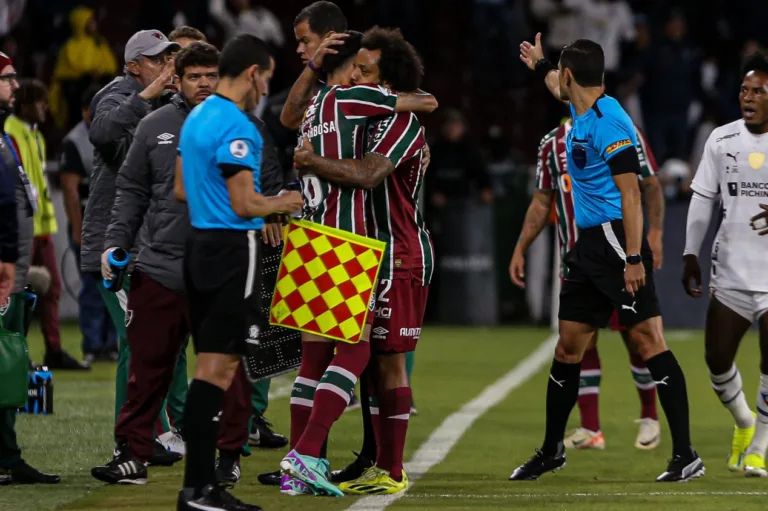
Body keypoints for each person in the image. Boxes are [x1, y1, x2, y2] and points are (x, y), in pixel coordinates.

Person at [510, 34, 702, 482]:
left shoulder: (609, 123)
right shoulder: (580, 102)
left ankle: (686, 454)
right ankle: (553, 449)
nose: (559, 82)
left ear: (574, 76)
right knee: (569, 344)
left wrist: (635, 256)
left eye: (562, 73)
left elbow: (632, 193)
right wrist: (540, 64)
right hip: (587, 247)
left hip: (617, 241)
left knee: (649, 342)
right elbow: (556, 83)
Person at [278, 30, 437, 498]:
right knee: (359, 355)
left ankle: (367, 465)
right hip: (349, 242)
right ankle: (307, 456)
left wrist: (308, 161)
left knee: (368, 361)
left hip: (380, 249)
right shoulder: (355, 106)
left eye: (368, 71)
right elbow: (423, 102)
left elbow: (369, 171)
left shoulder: (323, 108)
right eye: (358, 68)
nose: (358, 77)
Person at [175, 34, 303, 511]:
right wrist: (286, 202)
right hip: (233, 250)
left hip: (199, 246)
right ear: (253, 73)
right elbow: (246, 202)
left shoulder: (198, 115)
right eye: (267, 75)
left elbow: (180, 188)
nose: (266, 85)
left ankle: (200, 487)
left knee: (209, 369)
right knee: (219, 371)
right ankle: (200, 490)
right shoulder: (236, 124)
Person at [90, 42, 221, 486]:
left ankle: (225, 458)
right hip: (161, 267)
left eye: (211, 75)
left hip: (218, 271)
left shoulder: (239, 125)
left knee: (222, 373)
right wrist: (114, 244)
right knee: (146, 371)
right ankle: (132, 455)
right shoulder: (154, 124)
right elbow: (130, 191)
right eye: (195, 76)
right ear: (177, 81)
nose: (204, 83)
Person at [510, 116, 665, 451]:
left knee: (638, 337)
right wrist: (521, 247)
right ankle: (591, 427)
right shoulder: (552, 142)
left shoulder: (623, 130)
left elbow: (649, 184)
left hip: (620, 256)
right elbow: (542, 201)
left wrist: (656, 234)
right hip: (577, 260)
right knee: (579, 342)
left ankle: (650, 416)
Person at [81, 28, 181, 458]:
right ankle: (134, 438)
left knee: (148, 342)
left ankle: (153, 431)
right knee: (134, 344)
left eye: (168, 59)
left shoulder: (162, 104)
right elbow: (102, 133)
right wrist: (148, 95)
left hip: (145, 244)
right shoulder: (117, 94)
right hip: (114, 247)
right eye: (158, 59)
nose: (165, 67)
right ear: (135, 64)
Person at [682, 53, 768, 477]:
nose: (748, 98)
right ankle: (744, 422)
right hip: (732, 269)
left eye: (759, 91)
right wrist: (689, 253)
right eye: (744, 90)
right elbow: (702, 198)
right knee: (716, 358)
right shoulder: (721, 139)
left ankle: (760, 447)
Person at [0, 51, 60, 485]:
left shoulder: (4, 136)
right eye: (6, 79)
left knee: (8, 367)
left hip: (11, 272)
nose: (15, 87)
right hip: (3, 272)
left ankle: (7, 454)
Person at [5, 79, 88, 370]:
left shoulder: (36, 136)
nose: (45, 107)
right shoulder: (10, 133)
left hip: (42, 230)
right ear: (26, 105)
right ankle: (16, 352)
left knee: (51, 289)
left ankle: (53, 350)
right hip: (21, 230)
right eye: (40, 102)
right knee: (15, 294)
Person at [60, 85, 117, 363]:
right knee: (94, 286)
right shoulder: (75, 140)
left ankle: (111, 344)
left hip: (114, 221)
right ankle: (94, 345)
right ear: (86, 110)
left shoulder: (114, 131)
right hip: (89, 221)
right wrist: (79, 229)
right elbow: (70, 190)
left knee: (115, 285)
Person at [279, 1, 348, 130]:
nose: (299, 49)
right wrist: (313, 65)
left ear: (330, 38)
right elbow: (288, 119)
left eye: (305, 41)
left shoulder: (359, 72)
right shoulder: (318, 81)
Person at [48, 5, 118, 130]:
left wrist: (99, 73)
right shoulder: (70, 46)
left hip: (100, 86)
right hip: (78, 92)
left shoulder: (99, 43)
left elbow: (111, 66)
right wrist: (87, 74)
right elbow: (64, 74)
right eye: (90, 21)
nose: (94, 24)